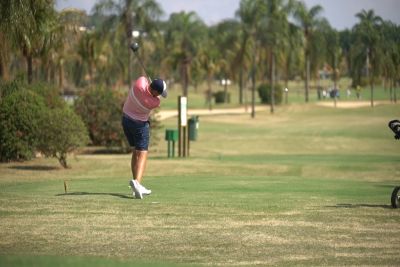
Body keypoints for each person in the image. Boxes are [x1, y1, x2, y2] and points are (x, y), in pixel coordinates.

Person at [122, 76, 167, 199]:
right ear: (156, 93)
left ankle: (136, 182)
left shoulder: (139, 83)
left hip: (126, 120)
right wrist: (153, 92)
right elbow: (154, 97)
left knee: (135, 151)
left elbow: (144, 80)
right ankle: (137, 183)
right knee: (142, 153)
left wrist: (151, 83)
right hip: (140, 125)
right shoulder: (155, 102)